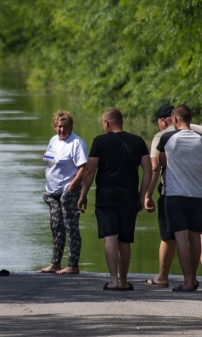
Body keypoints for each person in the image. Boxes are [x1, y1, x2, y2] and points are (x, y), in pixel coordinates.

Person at [78, 108, 152, 290]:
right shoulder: (138, 142)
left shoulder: (100, 142)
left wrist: (83, 194)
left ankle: (113, 280)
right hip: (129, 198)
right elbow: (148, 170)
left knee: (110, 237)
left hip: (106, 198)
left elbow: (89, 171)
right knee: (125, 240)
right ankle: (124, 281)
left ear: (108, 123)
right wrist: (143, 195)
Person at [144, 104, 202, 289]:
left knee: (180, 238)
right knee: (196, 236)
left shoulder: (167, 137)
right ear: (190, 119)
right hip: (198, 194)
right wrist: (197, 172)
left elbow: (160, 163)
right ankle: (194, 277)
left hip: (175, 194)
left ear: (174, 119)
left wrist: (147, 193)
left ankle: (187, 281)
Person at [37, 111, 88, 274]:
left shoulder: (77, 143)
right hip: (52, 192)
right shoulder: (53, 141)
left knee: (70, 227)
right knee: (55, 226)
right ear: (55, 127)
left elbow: (83, 168)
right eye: (59, 126)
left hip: (68, 192)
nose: (62, 130)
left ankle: (73, 265)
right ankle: (55, 263)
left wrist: (72, 188)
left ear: (71, 126)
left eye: (65, 126)